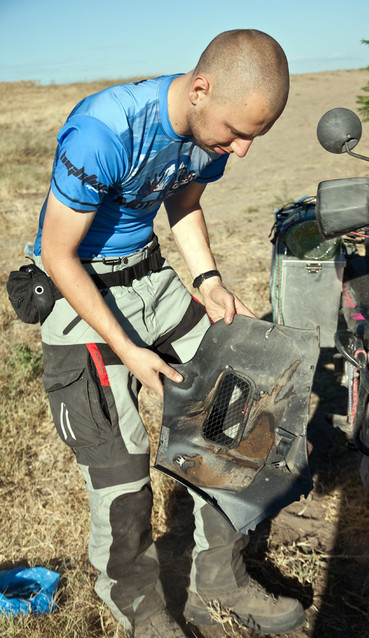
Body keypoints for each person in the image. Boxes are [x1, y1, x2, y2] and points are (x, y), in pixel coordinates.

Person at [33, 29, 305, 638]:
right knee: (121, 463)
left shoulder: (213, 130)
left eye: (253, 138)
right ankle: (131, 594)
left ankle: (220, 579)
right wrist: (127, 350)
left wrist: (206, 278)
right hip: (81, 288)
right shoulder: (103, 130)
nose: (240, 152)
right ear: (200, 89)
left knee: (237, 418)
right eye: (236, 133)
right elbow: (58, 253)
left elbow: (182, 201)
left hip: (152, 279)